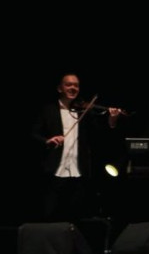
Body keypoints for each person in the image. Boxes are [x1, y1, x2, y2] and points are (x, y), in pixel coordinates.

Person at [30, 72, 125, 224]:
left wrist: (112, 120)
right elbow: (33, 134)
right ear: (60, 88)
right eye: (68, 85)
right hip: (54, 170)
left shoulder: (83, 112)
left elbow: (100, 135)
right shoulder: (48, 110)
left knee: (75, 218)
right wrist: (48, 140)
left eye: (76, 85)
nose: (73, 88)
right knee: (49, 216)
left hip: (79, 171)